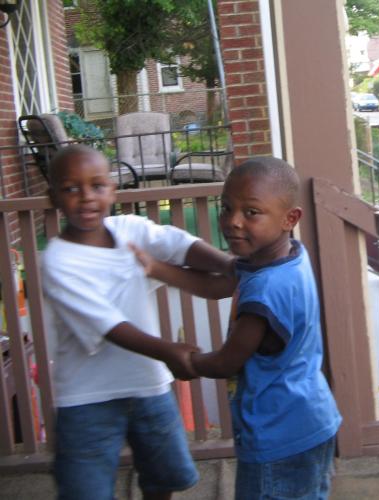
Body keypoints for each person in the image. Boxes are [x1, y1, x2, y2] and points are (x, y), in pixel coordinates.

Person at [132, 157, 342, 499]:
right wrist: (156, 268)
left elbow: (226, 362)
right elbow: (219, 283)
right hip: (312, 419)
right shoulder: (285, 257)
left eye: (251, 212)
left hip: (279, 435)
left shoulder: (266, 290)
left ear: (290, 218)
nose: (233, 221)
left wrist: (184, 360)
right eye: (226, 208)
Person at [41, 144, 235, 500]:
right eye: (70, 188)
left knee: (163, 478)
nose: (87, 197)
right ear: (52, 196)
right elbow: (107, 324)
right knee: (85, 491)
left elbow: (179, 245)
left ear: (113, 189)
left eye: (97, 185)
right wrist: (169, 351)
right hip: (85, 397)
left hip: (147, 384)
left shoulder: (129, 230)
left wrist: (231, 266)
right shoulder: (58, 261)